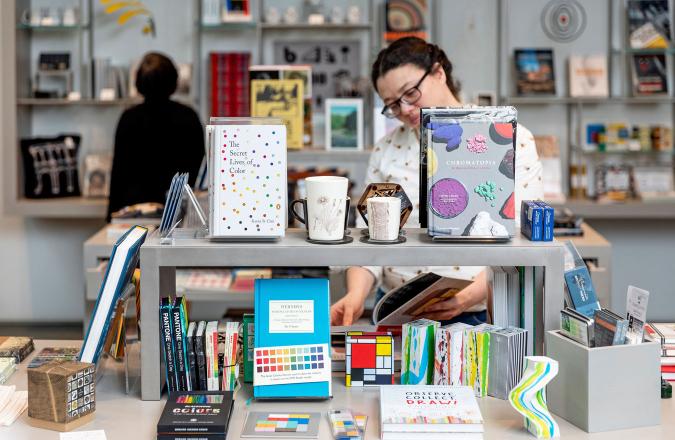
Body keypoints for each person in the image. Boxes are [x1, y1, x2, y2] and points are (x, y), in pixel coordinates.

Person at [330, 37, 543, 326]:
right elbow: (370, 238)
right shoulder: (386, 150)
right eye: (392, 105)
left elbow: (521, 245)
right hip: (397, 314)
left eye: (411, 94)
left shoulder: (506, 138)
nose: (404, 110)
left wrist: (464, 299)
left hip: (477, 314)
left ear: (439, 73)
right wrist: (355, 294)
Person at [107, 52, 204, 221]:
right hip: (178, 214)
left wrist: (111, 217)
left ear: (138, 83)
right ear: (174, 81)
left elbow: (118, 174)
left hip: (134, 214)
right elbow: (198, 172)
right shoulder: (188, 117)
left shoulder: (129, 118)